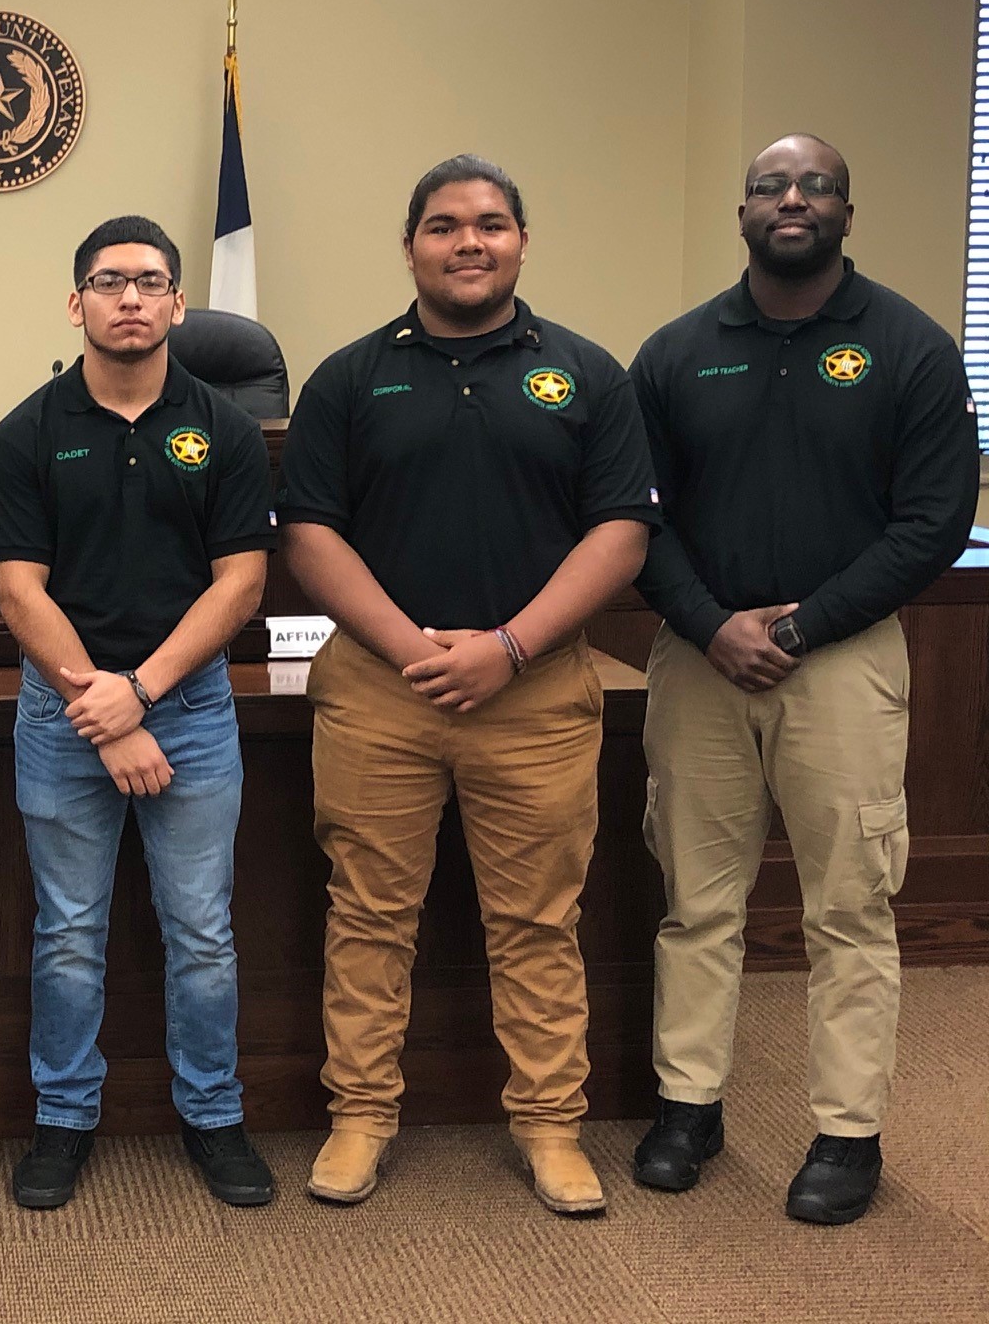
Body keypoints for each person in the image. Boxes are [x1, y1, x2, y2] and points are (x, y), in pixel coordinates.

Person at [278, 155, 658, 1216]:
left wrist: (511, 646)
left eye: (491, 223)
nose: (468, 242)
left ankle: (549, 1126)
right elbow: (309, 534)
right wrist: (412, 648)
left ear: (523, 241)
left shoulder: (587, 374)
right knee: (367, 915)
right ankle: (360, 1118)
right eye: (444, 226)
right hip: (378, 691)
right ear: (411, 247)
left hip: (533, 693)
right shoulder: (351, 378)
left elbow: (622, 531)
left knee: (540, 920)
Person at [628, 134, 978, 1225]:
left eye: (814, 185)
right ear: (742, 212)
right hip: (699, 658)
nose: (791, 199)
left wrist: (804, 623)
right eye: (770, 186)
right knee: (697, 902)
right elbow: (638, 514)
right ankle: (690, 1106)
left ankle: (847, 1134)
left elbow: (935, 521)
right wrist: (708, 624)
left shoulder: (910, 347)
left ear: (844, 211)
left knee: (849, 906)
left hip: (845, 656)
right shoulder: (680, 352)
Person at [0, 215, 277, 1211]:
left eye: (151, 283)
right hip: (63, 708)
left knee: (201, 929)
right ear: (77, 303)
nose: (131, 300)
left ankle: (213, 1113)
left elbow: (240, 585)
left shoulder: (226, 431)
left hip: (184, 708)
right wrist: (100, 705)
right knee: (68, 927)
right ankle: (64, 1117)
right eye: (109, 282)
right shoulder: (29, 430)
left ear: (179, 304)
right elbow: (18, 592)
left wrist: (140, 694)